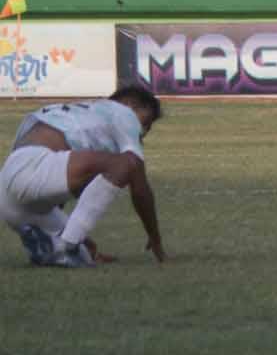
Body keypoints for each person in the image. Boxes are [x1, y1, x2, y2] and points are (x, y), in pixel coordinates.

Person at [2, 86, 167, 268]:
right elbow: (137, 178)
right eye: (147, 121)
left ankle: (50, 246)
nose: (144, 131)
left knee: (85, 252)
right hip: (32, 170)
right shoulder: (123, 113)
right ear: (130, 104)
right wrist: (155, 237)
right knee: (126, 163)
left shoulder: (79, 113)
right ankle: (67, 246)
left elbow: (53, 180)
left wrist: (79, 238)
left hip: (10, 195)